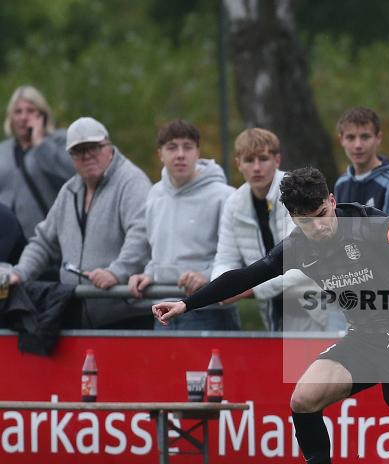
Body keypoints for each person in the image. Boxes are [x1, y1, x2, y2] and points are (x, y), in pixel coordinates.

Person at [151, 167, 389, 464]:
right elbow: (246, 275)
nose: (319, 227)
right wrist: (186, 303)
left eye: (323, 215)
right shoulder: (298, 245)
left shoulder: (363, 222)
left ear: (331, 201)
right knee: (303, 398)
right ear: (294, 219)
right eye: (307, 221)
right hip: (363, 338)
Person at [9, 116, 152, 329]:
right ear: (70, 157)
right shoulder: (69, 191)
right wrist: (19, 274)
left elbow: (141, 236)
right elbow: (43, 242)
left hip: (128, 318)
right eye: (78, 151)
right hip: (77, 318)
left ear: (108, 146)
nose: (86, 156)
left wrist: (116, 272)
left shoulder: (132, 183)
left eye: (93, 147)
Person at [128, 119, 239, 331]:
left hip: (209, 311)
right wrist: (149, 274)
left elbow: (236, 257)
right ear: (160, 154)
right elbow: (156, 253)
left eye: (187, 147)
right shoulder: (154, 195)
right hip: (163, 312)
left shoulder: (225, 196)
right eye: (172, 147)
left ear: (197, 152)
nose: (180, 154)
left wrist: (206, 276)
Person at [211, 128, 324, 332]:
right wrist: (221, 287)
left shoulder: (299, 194)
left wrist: (250, 289)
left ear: (277, 160)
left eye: (263, 159)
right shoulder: (234, 204)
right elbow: (225, 260)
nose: (256, 168)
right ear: (238, 164)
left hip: (319, 309)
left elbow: (303, 264)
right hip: (273, 313)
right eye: (248, 160)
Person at [329, 107, 389, 330]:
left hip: (385, 292)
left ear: (378, 138)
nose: (358, 145)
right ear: (341, 140)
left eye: (365, 136)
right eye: (351, 137)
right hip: (351, 290)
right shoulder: (342, 184)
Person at [0, 85, 75, 240]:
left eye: (30, 111)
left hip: (48, 239)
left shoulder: (60, 140)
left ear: (42, 115)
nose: (23, 117)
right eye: (18, 111)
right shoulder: (3, 150)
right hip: (8, 240)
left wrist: (40, 144)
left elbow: (72, 176)